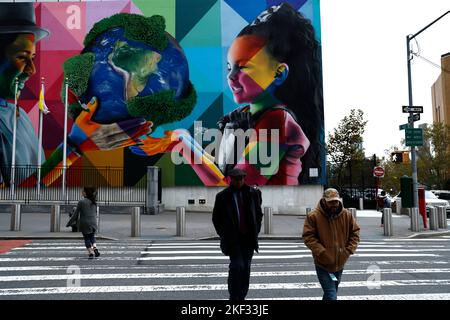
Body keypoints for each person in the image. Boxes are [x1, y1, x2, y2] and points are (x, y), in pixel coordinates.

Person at [132, 3, 324, 186]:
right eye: (229, 67)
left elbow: (235, 184)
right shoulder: (245, 116)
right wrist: (180, 140)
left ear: (279, 72)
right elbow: (220, 170)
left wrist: (184, 143)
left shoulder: (277, 120)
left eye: (243, 67)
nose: (231, 76)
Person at [0, 3, 49, 185]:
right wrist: (74, 147)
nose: (32, 70)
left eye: (33, 58)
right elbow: (11, 194)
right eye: (22, 57)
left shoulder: (20, 117)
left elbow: (37, 186)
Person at [212, 168, 263, 300]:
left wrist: (256, 230)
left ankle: (242, 296)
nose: (239, 181)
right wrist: (224, 234)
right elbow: (216, 218)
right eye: (236, 179)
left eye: (241, 179)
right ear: (231, 180)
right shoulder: (222, 196)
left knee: (246, 268)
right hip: (233, 239)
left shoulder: (252, 194)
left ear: (244, 179)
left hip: (249, 238)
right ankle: (234, 295)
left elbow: (258, 214)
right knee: (237, 266)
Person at [302, 188, 360, 300]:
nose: (334, 204)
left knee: (331, 293)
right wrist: (322, 252)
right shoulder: (313, 216)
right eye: (330, 202)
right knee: (331, 295)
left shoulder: (347, 215)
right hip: (323, 264)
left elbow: (355, 233)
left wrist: (348, 251)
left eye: (336, 201)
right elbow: (308, 237)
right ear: (324, 201)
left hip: (340, 263)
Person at [67, 186, 100, 259]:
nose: (82, 192)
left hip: (84, 223)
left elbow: (75, 214)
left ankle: (90, 252)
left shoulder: (81, 201)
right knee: (92, 236)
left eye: (83, 191)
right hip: (93, 222)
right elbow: (95, 212)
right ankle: (95, 248)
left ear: (86, 193)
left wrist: (69, 223)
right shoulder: (94, 202)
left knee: (87, 238)